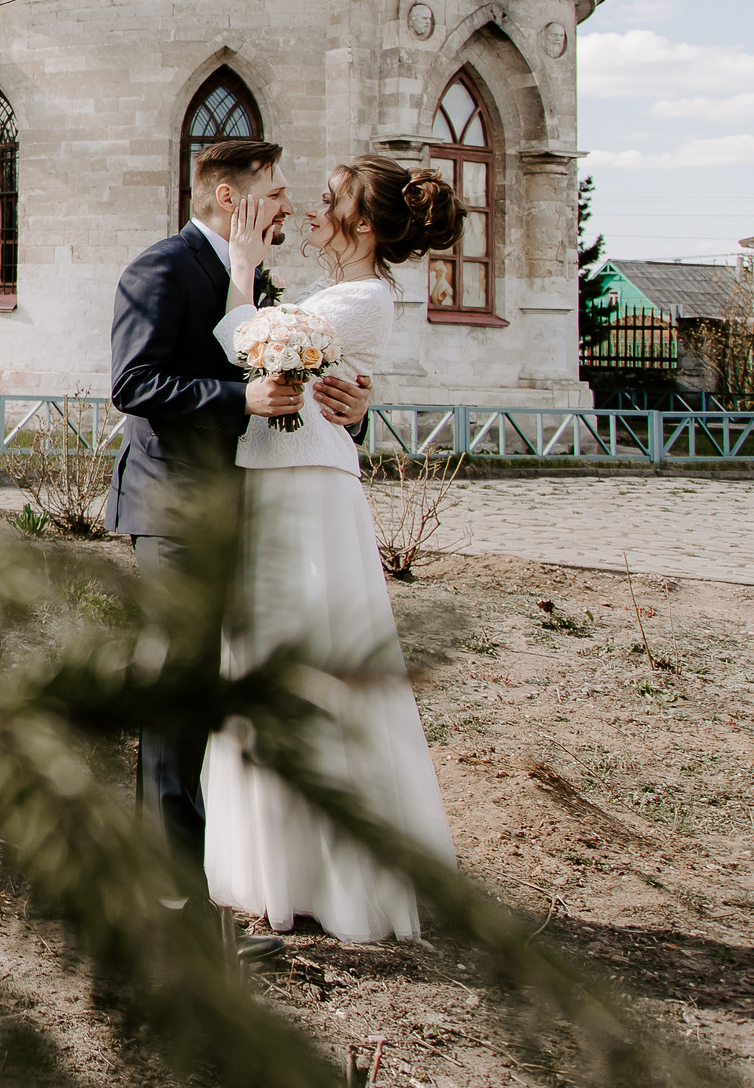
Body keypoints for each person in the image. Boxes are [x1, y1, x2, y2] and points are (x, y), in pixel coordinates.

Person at [107, 139, 369, 955]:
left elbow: (296, 393)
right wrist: (239, 397)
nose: (289, 204)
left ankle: (217, 884)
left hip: (244, 512)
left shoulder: (258, 284)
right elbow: (133, 383)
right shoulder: (161, 268)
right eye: (277, 192)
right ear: (230, 196)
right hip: (177, 509)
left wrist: (352, 406)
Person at [200, 156, 462, 941]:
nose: (314, 207)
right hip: (284, 481)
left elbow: (248, 345)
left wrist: (241, 265)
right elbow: (310, 373)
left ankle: (331, 873)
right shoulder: (336, 295)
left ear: (365, 225)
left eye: (330, 199)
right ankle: (278, 865)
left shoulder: (364, 298)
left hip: (307, 494)